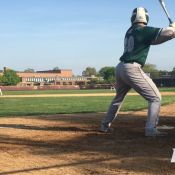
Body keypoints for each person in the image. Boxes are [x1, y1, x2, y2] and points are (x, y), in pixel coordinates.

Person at [100, 7, 175, 137]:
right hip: (132, 69)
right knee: (155, 98)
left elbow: (156, 40)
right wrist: (172, 30)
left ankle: (104, 126)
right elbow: (165, 34)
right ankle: (151, 130)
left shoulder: (130, 31)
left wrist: (172, 31)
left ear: (133, 18)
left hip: (120, 68)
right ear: (146, 17)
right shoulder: (145, 30)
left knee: (118, 98)